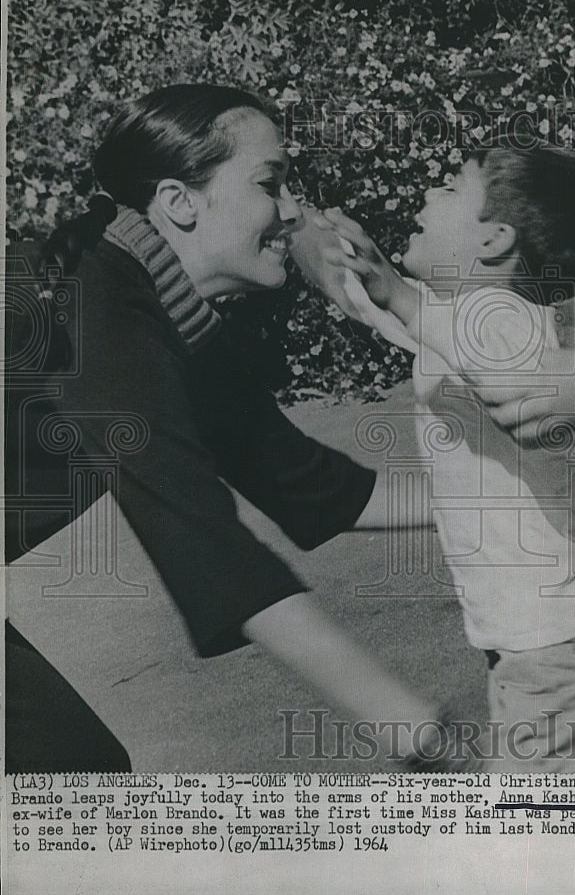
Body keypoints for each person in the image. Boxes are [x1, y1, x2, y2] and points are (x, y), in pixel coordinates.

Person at [4, 84, 444, 773]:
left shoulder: (162, 310)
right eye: (272, 184)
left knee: (69, 776)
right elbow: (198, 533)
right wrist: (402, 721)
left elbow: (313, 488)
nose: (292, 211)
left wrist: (527, 496)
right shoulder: (95, 306)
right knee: (67, 782)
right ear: (180, 202)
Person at [312, 146, 575, 771]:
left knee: (516, 834)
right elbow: (379, 307)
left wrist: (402, 295)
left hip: (558, 634)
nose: (429, 193)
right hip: (544, 633)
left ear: (495, 239)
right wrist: (307, 231)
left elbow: (500, 369)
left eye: (452, 190)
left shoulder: (506, 319)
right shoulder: (453, 319)